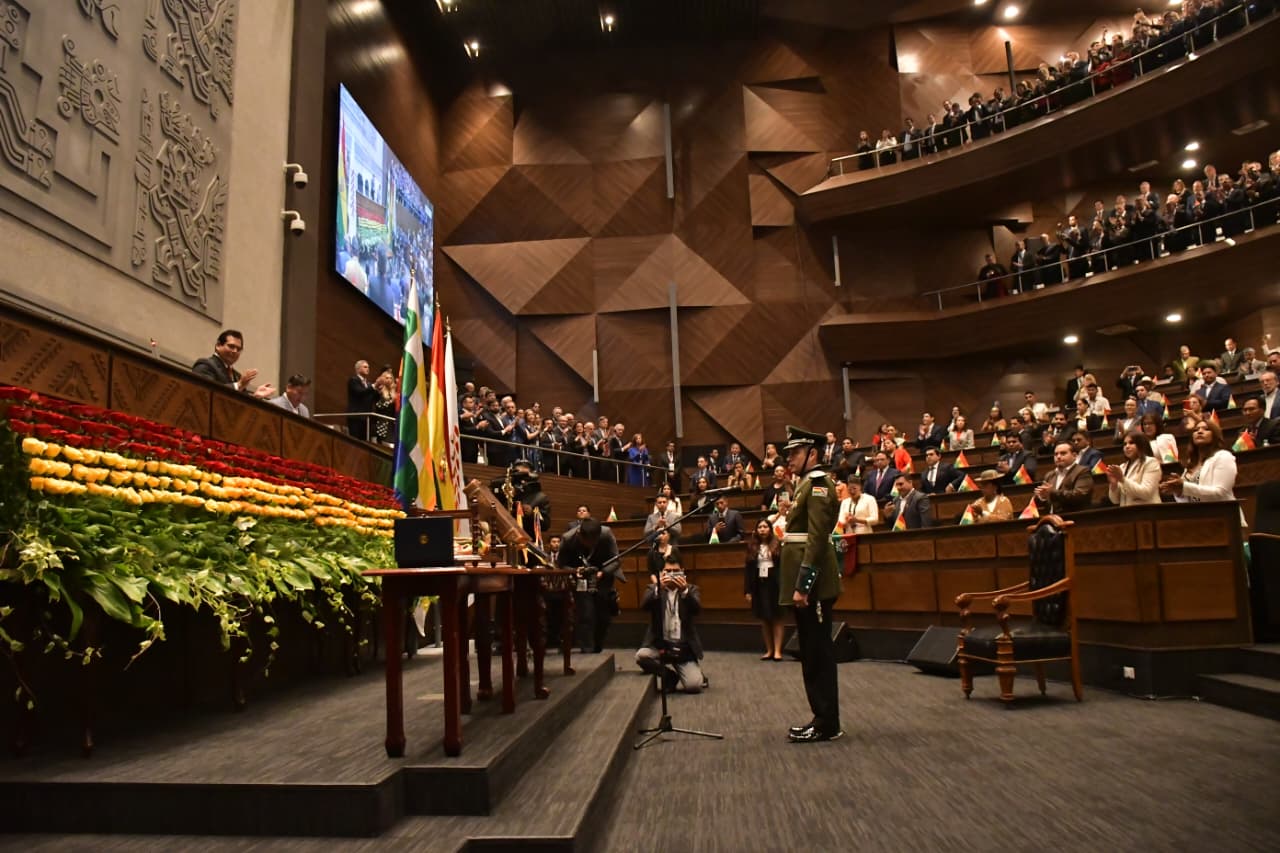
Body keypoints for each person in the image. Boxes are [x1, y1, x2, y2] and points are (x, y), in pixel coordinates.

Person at [777, 426, 842, 743]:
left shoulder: (818, 485)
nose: (789, 459)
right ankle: (821, 717)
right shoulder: (805, 484)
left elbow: (817, 539)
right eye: (789, 454)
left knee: (818, 653)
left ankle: (827, 722)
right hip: (807, 583)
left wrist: (804, 585)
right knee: (811, 650)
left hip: (813, 585)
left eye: (795, 453)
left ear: (813, 454)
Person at [635, 555, 705, 694]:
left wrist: (684, 591)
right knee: (641, 656)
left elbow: (697, 610)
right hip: (661, 645)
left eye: (676, 571)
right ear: (662, 573)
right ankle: (669, 676)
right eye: (668, 571)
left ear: (683, 571)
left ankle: (696, 674)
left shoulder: (691, 589)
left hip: (683, 648)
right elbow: (644, 606)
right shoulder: (653, 589)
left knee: (694, 686)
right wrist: (659, 588)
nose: (672, 575)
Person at [556, 517, 623, 654]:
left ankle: (598, 646)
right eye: (588, 541)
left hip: (603, 578)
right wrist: (575, 571)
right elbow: (561, 565)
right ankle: (586, 648)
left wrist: (602, 572)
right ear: (580, 535)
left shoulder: (606, 533)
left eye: (595, 541)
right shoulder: (568, 539)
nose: (591, 544)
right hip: (581, 579)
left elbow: (616, 560)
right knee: (586, 614)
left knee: (603, 615)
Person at [1160, 419, 1243, 524]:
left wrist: (1184, 487)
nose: (1199, 431)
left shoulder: (1223, 457)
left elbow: (1221, 494)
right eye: (1196, 430)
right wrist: (1178, 491)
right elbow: (1190, 500)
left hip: (1225, 520)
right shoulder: (1191, 464)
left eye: (1206, 429)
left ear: (1215, 435)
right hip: (1200, 520)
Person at [744, 519, 785, 661]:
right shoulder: (752, 546)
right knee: (764, 619)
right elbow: (748, 570)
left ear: (770, 529)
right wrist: (748, 590)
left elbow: (782, 567)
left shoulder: (777, 544)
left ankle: (778, 651)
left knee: (777, 618)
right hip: (759, 585)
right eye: (760, 527)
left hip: (774, 585)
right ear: (756, 530)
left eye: (765, 527)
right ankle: (769, 650)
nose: (762, 529)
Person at [193, 330, 275, 399]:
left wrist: (255, 397)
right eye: (231, 346)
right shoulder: (205, 365)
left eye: (238, 349)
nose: (235, 351)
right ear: (218, 345)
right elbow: (207, 394)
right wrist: (239, 385)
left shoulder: (237, 376)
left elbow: (241, 405)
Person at [1034, 442, 1094, 514]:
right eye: (1056, 454)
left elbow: (1080, 495)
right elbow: (1043, 502)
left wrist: (1052, 492)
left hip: (1075, 517)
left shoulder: (1082, 471)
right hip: (1052, 519)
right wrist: (1042, 497)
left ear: (1074, 456)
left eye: (1063, 453)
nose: (1058, 457)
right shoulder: (1050, 475)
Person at [1106, 432, 1162, 506]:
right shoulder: (1122, 467)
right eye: (1125, 444)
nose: (1127, 446)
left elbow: (1146, 493)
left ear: (1141, 444)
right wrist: (1113, 484)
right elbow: (1115, 500)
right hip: (1128, 514)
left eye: (1131, 443)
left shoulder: (1151, 462)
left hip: (1148, 512)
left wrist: (1122, 479)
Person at [345, 359, 379, 439]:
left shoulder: (369, 384)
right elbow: (360, 392)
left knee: (365, 442)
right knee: (355, 442)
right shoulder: (353, 380)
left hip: (366, 418)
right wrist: (374, 386)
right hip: (356, 417)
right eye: (365, 367)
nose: (368, 369)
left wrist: (379, 390)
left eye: (368, 367)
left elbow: (374, 399)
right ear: (358, 369)